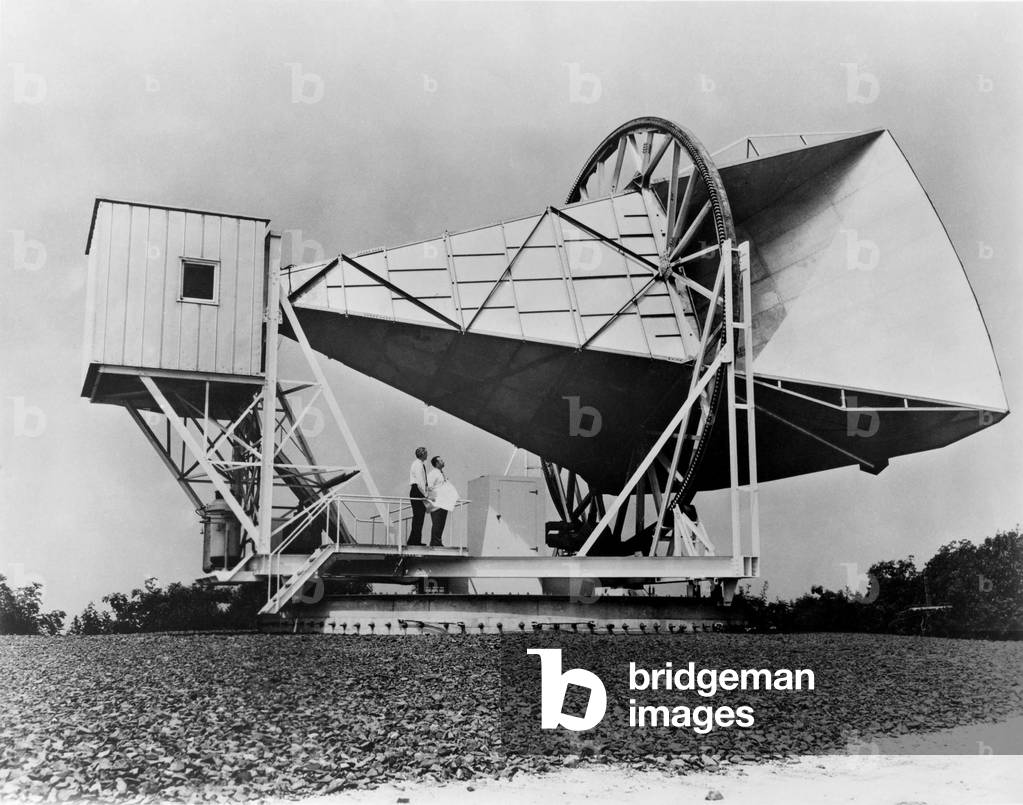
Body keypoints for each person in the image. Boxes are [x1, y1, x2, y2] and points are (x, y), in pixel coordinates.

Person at [425, 456, 458, 547]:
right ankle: (435, 542)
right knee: (437, 522)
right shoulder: (433, 473)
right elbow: (429, 486)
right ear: (436, 463)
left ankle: (437, 541)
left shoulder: (440, 473)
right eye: (441, 460)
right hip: (437, 502)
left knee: (441, 523)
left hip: (443, 502)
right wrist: (433, 498)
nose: (443, 461)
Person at [407, 446, 430, 546]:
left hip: (417, 490)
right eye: (426, 453)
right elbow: (420, 481)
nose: (427, 454)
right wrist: (425, 494)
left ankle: (414, 540)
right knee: (419, 516)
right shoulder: (418, 464)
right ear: (422, 454)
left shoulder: (418, 464)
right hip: (417, 490)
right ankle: (415, 541)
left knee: (418, 517)